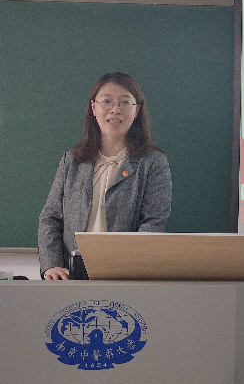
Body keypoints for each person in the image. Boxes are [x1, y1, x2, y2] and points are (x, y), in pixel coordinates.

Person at [38, 73, 172, 280]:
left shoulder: (152, 163)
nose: (115, 109)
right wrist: (51, 265)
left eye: (125, 102)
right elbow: (50, 218)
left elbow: (153, 223)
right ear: (93, 108)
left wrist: (127, 267)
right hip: (71, 275)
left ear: (137, 110)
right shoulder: (72, 161)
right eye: (107, 101)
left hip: (125, 275)